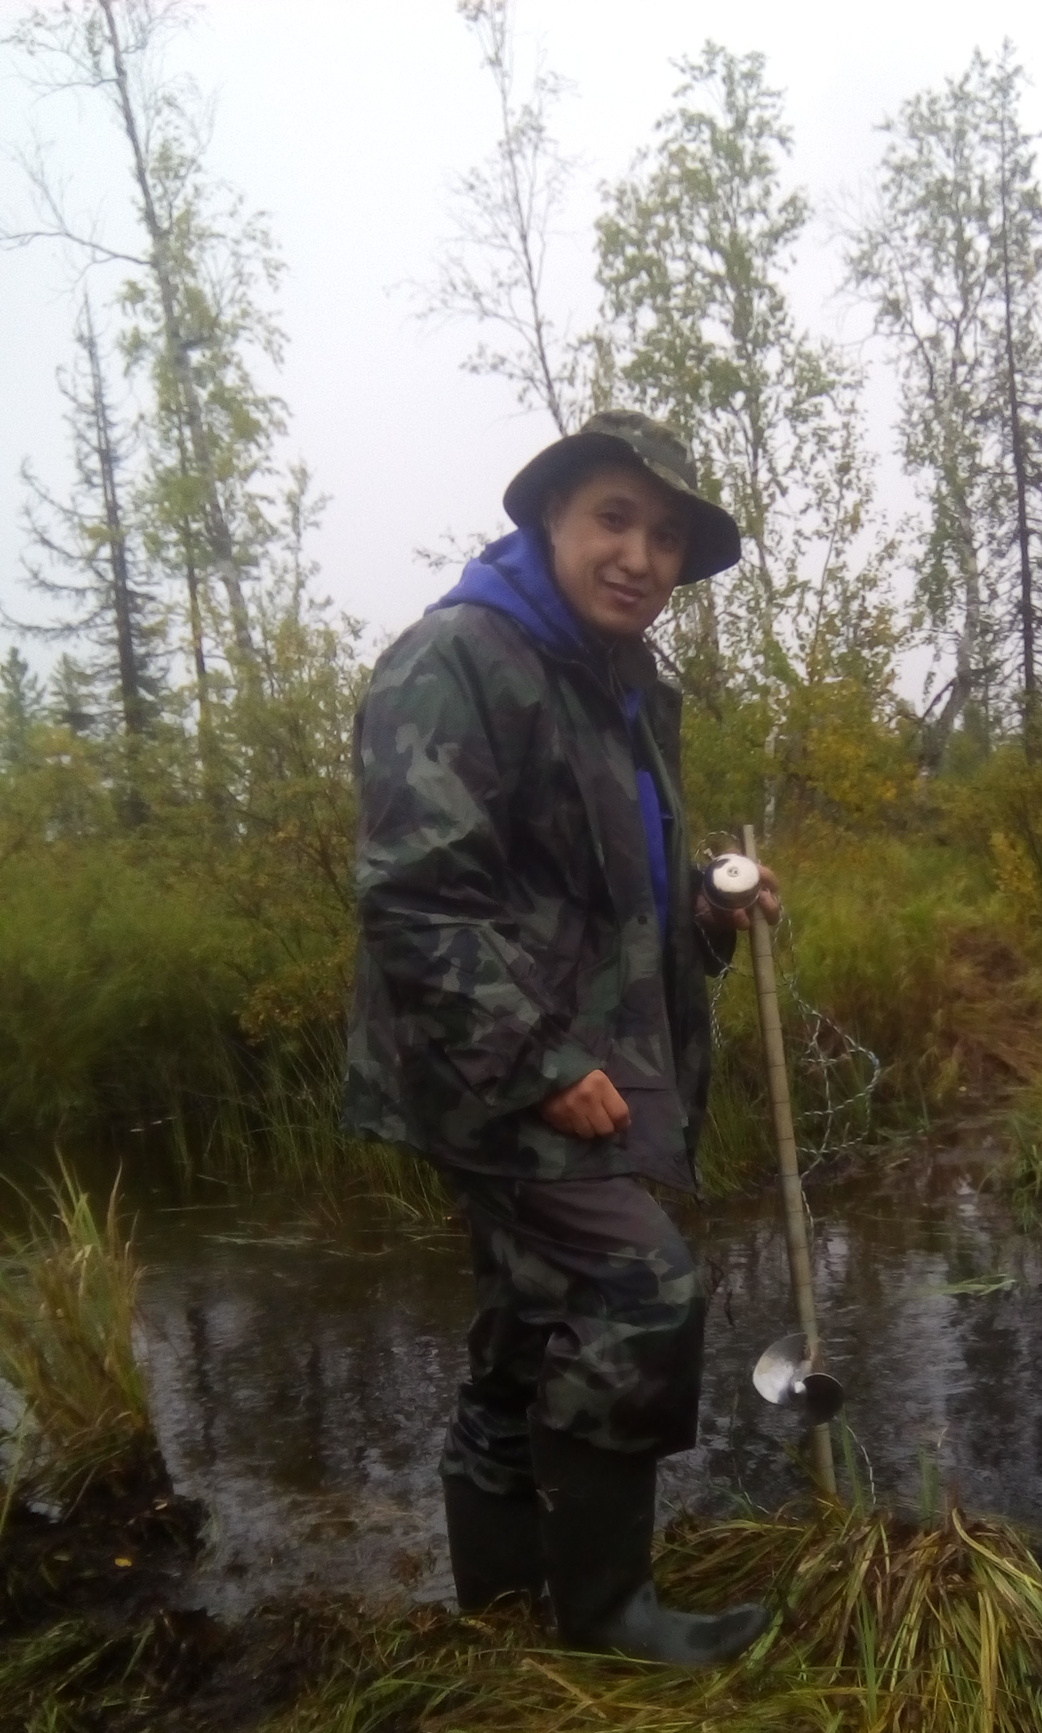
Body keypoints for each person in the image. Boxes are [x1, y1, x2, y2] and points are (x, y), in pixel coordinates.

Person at [345, 409, 775, 1666]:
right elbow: (415, 903)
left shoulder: (620, 688)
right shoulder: (459, 660)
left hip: (547, 1053)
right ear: (547, 520)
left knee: (527, 1326)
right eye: (613, 520)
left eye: (666, 538)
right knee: (642, 1288)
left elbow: (593, 892)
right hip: (489, 1072)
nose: (640, 556)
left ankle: (501, 1612)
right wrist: (540, 1067)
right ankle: (605, 1618)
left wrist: (699, 904)